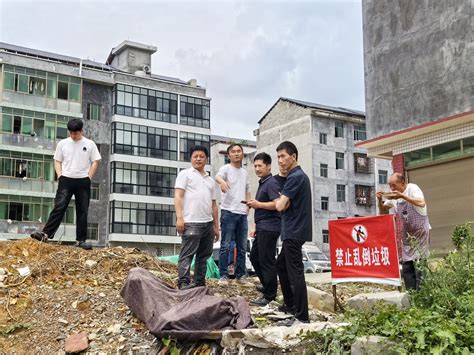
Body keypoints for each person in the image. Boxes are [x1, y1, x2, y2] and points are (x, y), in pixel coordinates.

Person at [30, 119, 101, 250]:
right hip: (66, 180)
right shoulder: (63, 143)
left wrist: (89, 177)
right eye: (71, 133)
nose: (73, 136)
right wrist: (60, 175)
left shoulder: (89, 144)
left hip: (83, 180)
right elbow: (57, 160)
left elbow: (95, 161)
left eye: (76, 133)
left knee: (82, 211)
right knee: (59, 207)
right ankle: (46, 234)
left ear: (81, 131)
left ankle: (81, 240)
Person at [275, 141, 311, 325]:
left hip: (293, 230)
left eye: (283, 156)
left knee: (295, 273)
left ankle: (302, 316)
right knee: (281, 266)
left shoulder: (295, 176)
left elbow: (280, 205)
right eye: (278, 157)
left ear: (294, 156)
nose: (280, 161)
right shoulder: (298, 176)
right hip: (294, 230)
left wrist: (279, 199)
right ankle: (290, 305)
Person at [174, 145, 220, 290]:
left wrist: (216, 226)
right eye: (195, 156)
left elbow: (213, 205)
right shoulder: (185, 174)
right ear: (191, 158)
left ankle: (199, 283)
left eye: (201, 156)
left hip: (208, 223)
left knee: (203, 256)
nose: (198, 159)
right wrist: (179, 218)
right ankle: (184, 283)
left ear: (206, 159)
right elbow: (178, 196)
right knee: (187, 255)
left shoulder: (210, 180)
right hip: (191, 222)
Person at [376, 173, 430, 290]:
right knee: (407, 264)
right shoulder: (393, 198)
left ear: (402, 183)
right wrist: (380, 200)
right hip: (407, 233)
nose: (392, 188)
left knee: (419, 262)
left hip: (420, 231)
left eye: (394, 185)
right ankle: (411, 293)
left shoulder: (412, 188)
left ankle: (423, 292)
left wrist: (402, 196)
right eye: (390, 186)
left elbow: (421, 202)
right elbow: (383, 212)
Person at [247, 152, 282, 306]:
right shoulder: (263, 182)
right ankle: (267, 285)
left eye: (260, 166)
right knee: (255, 257)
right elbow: (261, 208)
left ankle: (270, 295)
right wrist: (255, 225)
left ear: (269, 166)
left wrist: (258, 204)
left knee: (266, 260)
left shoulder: (272, 182)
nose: (257, 168)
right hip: (262, 226)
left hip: (270, 227)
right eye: (255, 166)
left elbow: (278, 204)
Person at [215, 143, 251, 285]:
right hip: (228, 212)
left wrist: (248, 205)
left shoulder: (245, 172)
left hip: (242, 213)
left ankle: (241, 276)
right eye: (233, 151)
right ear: (228, 155)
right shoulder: (225, 169)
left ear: (242, 154)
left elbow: (247, 189)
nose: (236, 153)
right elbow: (218, 177)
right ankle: (223, 276)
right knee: (225, 245)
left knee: (242, 247)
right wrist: (222, 182)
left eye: (239, 151)